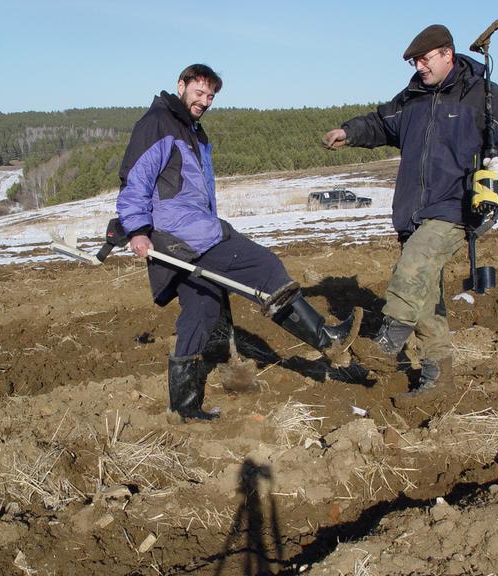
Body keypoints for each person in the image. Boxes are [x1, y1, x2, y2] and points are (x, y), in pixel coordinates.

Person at [117, 64, 357, 421]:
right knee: (265, 267)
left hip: (188, 231)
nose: (204, 101)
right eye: (199, 92)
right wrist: (136, 229)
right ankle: (328, 340)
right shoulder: (158, 123)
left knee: (201, 308)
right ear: (181, 86)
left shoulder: (192, 130)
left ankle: (183, 410)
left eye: (211, 96)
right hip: (183, 234)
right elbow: (135, 179)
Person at [322, 25, 498, 395]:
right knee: (424, 298)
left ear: (447, 54)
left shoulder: (479, 94)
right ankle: (439, 378)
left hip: (457, 204)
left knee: (414, 265)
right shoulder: (413, 98)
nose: (419, 66)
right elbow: (380, 123)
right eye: (414, 62)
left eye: (424, 59)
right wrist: (349, 132)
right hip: (412, 209)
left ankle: (386, 344)